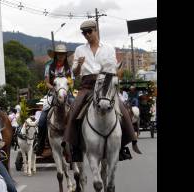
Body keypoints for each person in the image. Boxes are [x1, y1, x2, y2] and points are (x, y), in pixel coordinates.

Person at [62, 20, 141, 163]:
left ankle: (128, 143)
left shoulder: (109, 48)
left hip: (105, 84)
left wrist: (110, 77)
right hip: (86, 85)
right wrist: (78, 65)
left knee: (123, 109)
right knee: (73, 111)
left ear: (95, 30)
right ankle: (73, 148)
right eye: (83, 33)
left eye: (89, 32)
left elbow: (113, 68)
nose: (86, 35)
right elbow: (75, 71)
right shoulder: (79, 49)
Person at [36, 43, 75, 155]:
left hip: (67, 93)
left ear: (65, 55)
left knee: (77, 113)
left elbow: (72, 83)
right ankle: (41, 144)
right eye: (59, 54)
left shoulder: (69, 68)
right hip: (53, 93)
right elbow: (47, 83)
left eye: (63, 54)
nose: (61, 56)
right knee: (42, 120)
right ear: (55, 55)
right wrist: (54, 88)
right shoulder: (49, 67)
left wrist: (66, 89)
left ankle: (78, 142)